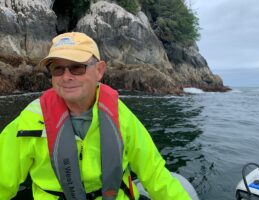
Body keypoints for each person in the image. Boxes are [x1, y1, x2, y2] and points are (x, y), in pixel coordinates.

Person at [0, 32, 191, 200]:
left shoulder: (121, 116)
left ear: (99, 70)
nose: (66, 76)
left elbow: (154, 173)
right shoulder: (31, 120)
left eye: (77, 67)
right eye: (57, 69)